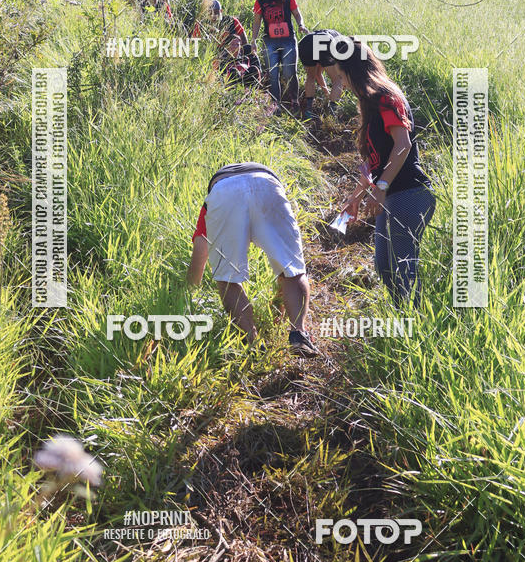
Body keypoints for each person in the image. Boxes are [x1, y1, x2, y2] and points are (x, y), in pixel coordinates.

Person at [325, 37, 436, 306]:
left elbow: (403, 145)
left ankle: (414, 322)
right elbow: (373, 164)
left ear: (354, 71)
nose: (343, 84)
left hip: (409, 193)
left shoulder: (387, 98)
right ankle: (402, 317)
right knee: (384, 267)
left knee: (403, 270)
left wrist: (381, 187)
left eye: (342, 76)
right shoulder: (370, 105)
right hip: (391, 196)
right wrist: (355, 197)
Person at [186, 162, 319, 357]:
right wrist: (279, 306)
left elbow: (201, 246)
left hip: (225, 191)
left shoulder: (213, 197)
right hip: (267, 185)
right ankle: (299, 334)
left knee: (228, 278)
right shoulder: (267, 182)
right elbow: (286, 270)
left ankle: (253, 343)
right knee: (292, 269)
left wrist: (189, 291)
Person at [251, 0, 307, 113]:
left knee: (289, 73)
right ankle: (276, 105)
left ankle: (294, 102)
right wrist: (253, 39)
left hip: (288, 41)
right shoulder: (261, 1)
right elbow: (256, 21)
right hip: (270, 42)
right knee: (273, 74)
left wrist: (301, 24)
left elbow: (297, 14)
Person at [298, 30, 345, 121]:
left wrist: (327, 93)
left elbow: (318, 74)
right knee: (337, 79)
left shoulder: (331, 36)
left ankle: (308, 112)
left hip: (305, 42)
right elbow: (343, 76)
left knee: (310, 76)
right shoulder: (342, 44)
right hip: (325, 40)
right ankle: (332, 115)